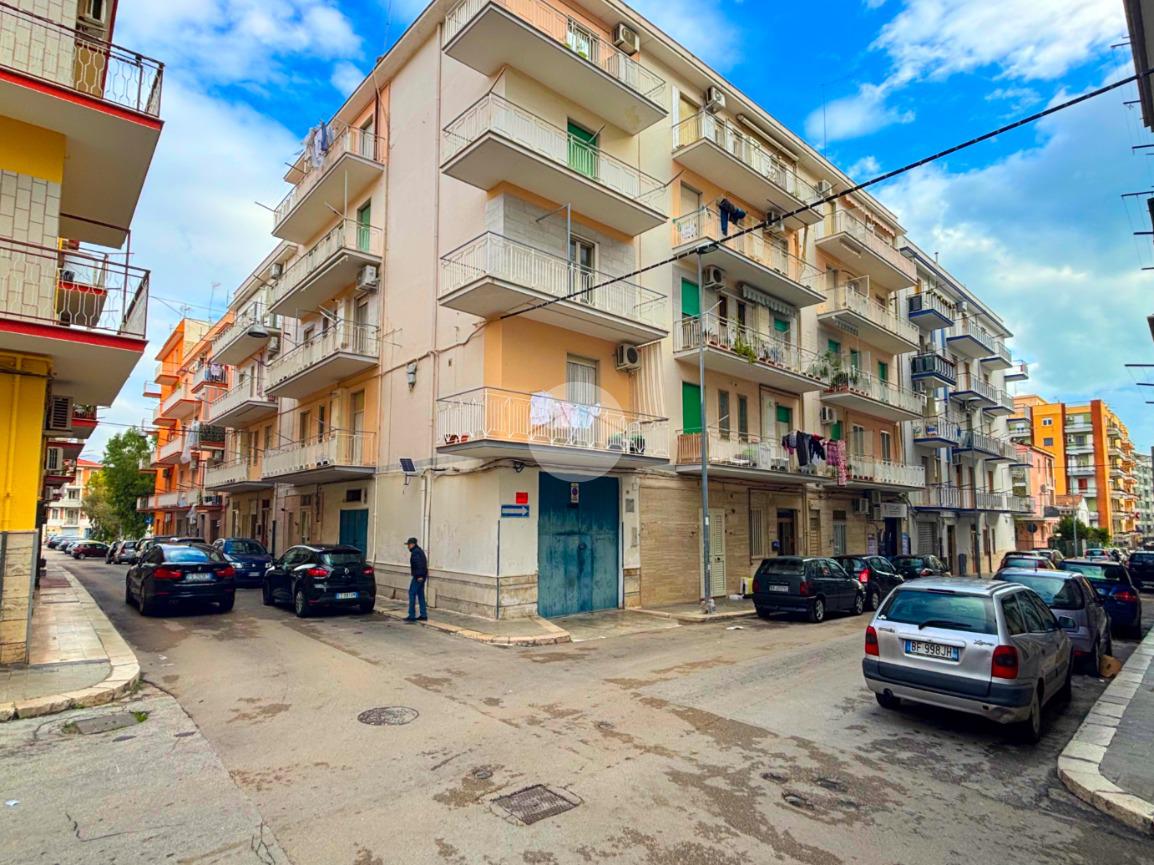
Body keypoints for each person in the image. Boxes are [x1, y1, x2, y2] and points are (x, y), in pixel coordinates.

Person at [405, 537, 428, 622]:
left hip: (418, 576)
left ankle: (412, 615)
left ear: (412, 544)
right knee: (420, 594)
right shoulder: (419, 551)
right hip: (422, 576)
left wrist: (419, 576)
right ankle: (423, 615)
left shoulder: (415, 552)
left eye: (408, 545)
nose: (408, 547)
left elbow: (419, 564)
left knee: (412, 593)